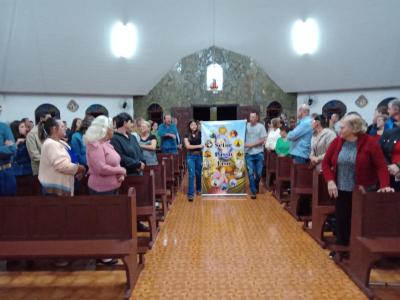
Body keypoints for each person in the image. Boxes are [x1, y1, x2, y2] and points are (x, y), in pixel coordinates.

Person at [322, 114, 393, 256]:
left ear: (353, 128)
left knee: (360, 221)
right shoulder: (337, 141)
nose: (339, 129)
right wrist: (330, 181)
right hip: (341, 189)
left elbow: (381, 167)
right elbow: (325, 163)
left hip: (363, 190)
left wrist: (384, 185)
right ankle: (342, 249)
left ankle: (360, 252)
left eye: (342, 127)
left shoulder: (370, 143)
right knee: (342, 219)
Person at [38, 117, 85, 196]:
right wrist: (80, 168)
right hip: (55, 189)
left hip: (64, 184)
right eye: (62, 126)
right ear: (54, 129)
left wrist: (77, 170)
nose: (66, 128)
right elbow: (62, 165)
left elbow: (72, 157)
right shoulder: (51, 144)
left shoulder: (60, 142)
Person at [84, 116, 126, 195]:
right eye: (111, 127)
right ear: (104, 129)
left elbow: (115, 162)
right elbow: (101, 169)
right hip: (101, 189)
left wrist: (120, 174)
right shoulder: (95, 145)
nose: (113, 130)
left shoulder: (106, 144)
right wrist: (121, 170)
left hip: (113, 187)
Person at [245, 112, 268, 199]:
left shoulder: (261, 127)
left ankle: (255, 183)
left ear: (257, 118)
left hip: (259, 153)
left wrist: (252, 145)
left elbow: (263, 140)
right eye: (250, 117)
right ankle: (253, 191)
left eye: (254, 117)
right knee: (250, 173)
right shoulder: (245, 126)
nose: (252, 119)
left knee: (258, 173)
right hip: (248, 154)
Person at [184, 120, 203, 201]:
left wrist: (202, 124)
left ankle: (198, 190)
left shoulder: (200, 133)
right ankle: (190, 194)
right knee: (191, 175)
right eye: (192, 124)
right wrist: (199, 145)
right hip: (190, 156)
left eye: (195, 124)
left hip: (199, 156)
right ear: (189, 126)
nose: (194, 126)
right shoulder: (186, 135)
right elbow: (188, 146)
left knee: (198, 174)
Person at [379, 126, 400, 191]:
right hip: (391, 174)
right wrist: (389, 166)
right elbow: (378, 151)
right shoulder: (390, 133)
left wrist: (398, 166)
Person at [0, 122, 17, 196]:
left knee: (9, 204)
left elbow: (12, 149)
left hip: (4, 173)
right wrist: (4, 147)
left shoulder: (4, 127)